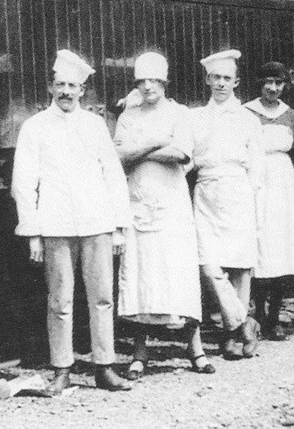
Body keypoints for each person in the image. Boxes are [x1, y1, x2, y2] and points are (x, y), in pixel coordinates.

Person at [11, 50, 133, 395]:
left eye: (73, 86)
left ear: (83, 90)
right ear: (51, 87)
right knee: (60, 301)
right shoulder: (35, 127)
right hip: (56, 225)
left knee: (102, 298)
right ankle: (62, 368)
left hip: (97, 223)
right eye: (61, 84)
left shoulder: (95, 125)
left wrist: (119, 226)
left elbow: (113, 176)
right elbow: (23, 182)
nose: (66, 91)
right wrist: (32, 232)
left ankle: (104, 367)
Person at [115, 53, 215, 378]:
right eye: (141, 81)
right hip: (138, 204)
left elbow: (182, 152)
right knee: (143, 277)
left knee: (178, 276)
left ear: (164, 82)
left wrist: (140, 147)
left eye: (153, 81)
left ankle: (195, 351)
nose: (147, 87)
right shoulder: (128, 115)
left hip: (171, 205)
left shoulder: (179, 113)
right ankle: (139, 354)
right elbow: (118, 154)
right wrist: (157, 140)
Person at [171, 49, 262, 360]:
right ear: (207, 80)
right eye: (216, 78)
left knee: (240, 266)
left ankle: (230, 337)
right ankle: (243, 323)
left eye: (227, 78)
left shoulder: (249, 119)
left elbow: (257, 165)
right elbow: (188, 161)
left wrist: (252, 198)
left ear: (236, 82)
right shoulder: (195, 117)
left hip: (238, 191)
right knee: (208, 265)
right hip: (207, 192)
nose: (221, 83)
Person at [243, 61, 294, 341]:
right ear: (260, 84)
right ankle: (257, 315)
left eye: (278, 83)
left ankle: (274, 317)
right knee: (261, 248)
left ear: (285, 85)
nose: (273, 88)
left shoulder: (291, 114)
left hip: (283, 186)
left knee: (283, 247)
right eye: (268, 82)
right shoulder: (246, 112)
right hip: (257, 183)